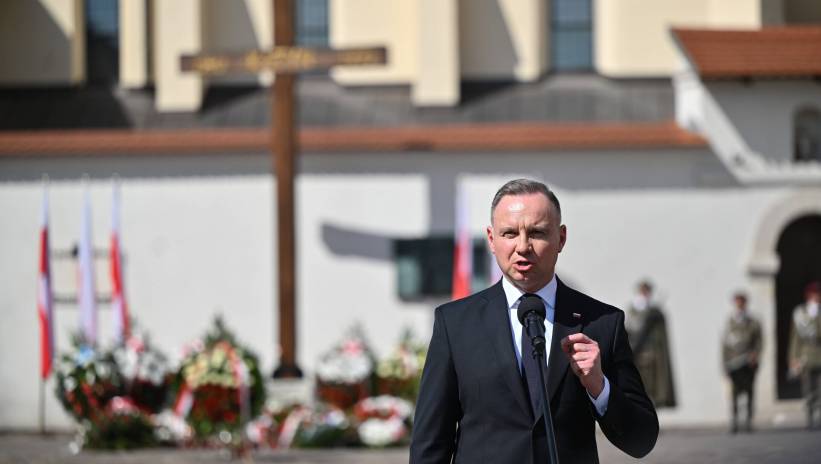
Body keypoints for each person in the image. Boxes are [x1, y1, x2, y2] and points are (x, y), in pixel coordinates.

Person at [410, 179, 658, 464]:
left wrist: (599, 387)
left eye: (537, 233)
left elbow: (641, 440)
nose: (523, 246)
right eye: (509, 233)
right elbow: (430, 444)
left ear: (561, 238)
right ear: (491, 239)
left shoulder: (601, 323)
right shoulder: (454, 324)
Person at [624, 280, 677, 408]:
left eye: (647, 291)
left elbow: (659, 335)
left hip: (651, 355)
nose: (644, 294)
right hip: (635, 354)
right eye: (643, 291)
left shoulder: (654, 312)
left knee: (651, 388)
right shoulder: (632, 310)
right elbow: (630, 328)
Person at [721, 291, 762, 433]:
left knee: (749, 392)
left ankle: (748, 421)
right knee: (734, 393)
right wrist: (724, 363)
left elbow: (759, 341)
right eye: (737, 302)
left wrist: (755, 354)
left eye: (742, 302)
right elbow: (724, 345)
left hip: (748, 362)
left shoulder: (753, 322)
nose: (739, 305)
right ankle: (734, 421)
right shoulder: (730, 321)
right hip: (733, 363)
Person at [788, 282, 821, 429]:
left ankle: (818, 417)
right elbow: (795, 338)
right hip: (806, 356)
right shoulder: (800, 314)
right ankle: (810, 417)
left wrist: (816, 317)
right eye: (814, 294)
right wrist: (793, 358)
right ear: (809, 295)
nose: (817, 297)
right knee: (808, 389)